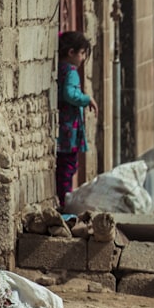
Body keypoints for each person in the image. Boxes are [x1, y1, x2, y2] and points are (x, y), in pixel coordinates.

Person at [56, 30, 98, 210]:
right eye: (81, 54)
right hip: (69, 131)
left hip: (63, 129)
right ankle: (65, 203)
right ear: (71, 52)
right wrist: (86, 99)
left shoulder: (60, 69)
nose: (82, 59)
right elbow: (69, 94)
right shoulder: (71, 71)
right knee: (68, 167)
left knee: (64, 167)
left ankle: (63, 199)